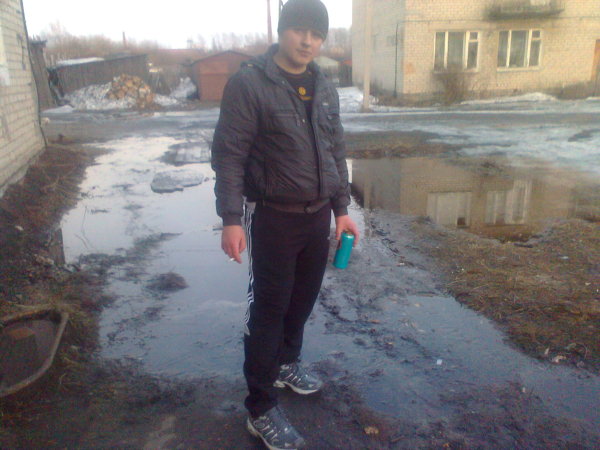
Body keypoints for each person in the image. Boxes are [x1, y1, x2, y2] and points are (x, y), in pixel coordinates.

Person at [211, 0, 359, 447]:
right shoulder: (250, 83)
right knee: (269, 312)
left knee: (302, 301)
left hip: (317, 216)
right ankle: (260, 408)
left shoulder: (324, 86)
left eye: (317, 34)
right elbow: (229, 155)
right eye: (299, 30)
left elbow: (334, 152)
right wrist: (231, 219)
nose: (308, 41)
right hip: (273, 217)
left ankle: (287, 363)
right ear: (282, 30)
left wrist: (342, 209)